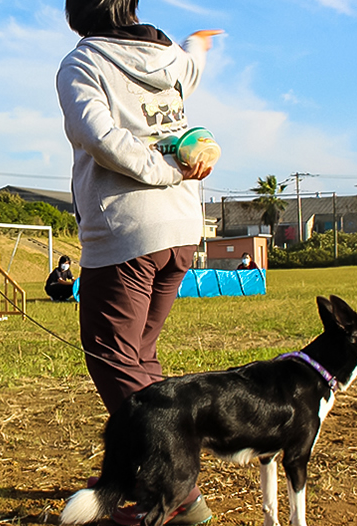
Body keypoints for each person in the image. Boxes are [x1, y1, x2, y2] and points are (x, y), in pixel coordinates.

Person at [56, 0, 220, 524]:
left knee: (110, 353)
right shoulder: (168, 55)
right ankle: (145, 473)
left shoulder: (83, 62)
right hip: (181, 230)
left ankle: (178, 493)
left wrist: (163, 168)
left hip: (127, 228)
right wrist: (198, 42)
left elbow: (98, 137)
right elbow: (192, 68)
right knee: (140, 356)